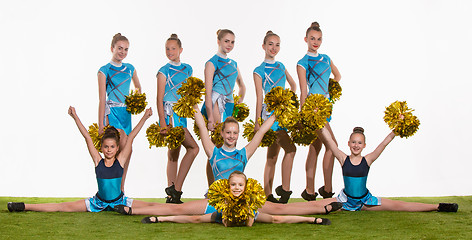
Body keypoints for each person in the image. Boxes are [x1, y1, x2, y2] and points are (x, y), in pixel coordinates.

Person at [7, 107, 160, 213]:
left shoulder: (120, 160)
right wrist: (75, 117)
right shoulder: (98, 160)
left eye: (112, 147)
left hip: (120, 202)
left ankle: (177, 212)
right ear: (101, 148)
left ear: (117, 148)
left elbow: (131, 136)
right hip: (97, 202)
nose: (109, 150)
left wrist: (145, 117)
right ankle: (23, 206)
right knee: (62, 207)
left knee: (151, 205)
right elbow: (87, 136)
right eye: (106, 147)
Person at [318, 125, 458, 212]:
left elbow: (383, 144)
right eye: (353, 142)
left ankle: (438, 206)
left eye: (359, 143)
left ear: (364, 145)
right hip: (345, 202)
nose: (356, 145)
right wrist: (318, 120)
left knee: (400, 206)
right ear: (348, 143)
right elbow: (330, 141)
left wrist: (397, 129)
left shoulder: (368, 159)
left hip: (366, 202)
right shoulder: (343, 159)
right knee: (316, 207)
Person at [140, 171, 331, 226]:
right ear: (228, 186)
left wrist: (249, 212)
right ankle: (159, 217)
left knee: (275, 218)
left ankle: (313, 219)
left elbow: (248, 225)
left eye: (240, 185)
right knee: (194, 217)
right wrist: (225, 213)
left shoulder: (249, 199)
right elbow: (227, 224)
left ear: (246, 187)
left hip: (247, 213)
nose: (237, 188)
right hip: (222, 212)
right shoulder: (223, 198)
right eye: (233, 185)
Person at [297, 22, 341, 201]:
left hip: (326, 106)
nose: (315, 42)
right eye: (312, 39)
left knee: (316, 146)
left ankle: (309, 190)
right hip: (313, 110)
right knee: (333, 145)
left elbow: (337, 76)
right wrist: (303, 115)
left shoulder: (326, 58)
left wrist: (331, 89)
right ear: (306, 39)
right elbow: (303, 92)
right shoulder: (302, 62)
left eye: (319, 39)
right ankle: (327, 190)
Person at [253, 31, 297, 204]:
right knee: (291, 149)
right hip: (269, 116)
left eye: (277, 44)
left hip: (282, 115)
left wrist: (287, 101)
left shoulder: (281, 66)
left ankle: (268, 194)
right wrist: (258, 122)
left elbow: (293, 85)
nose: (274, 48)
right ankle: (284, 191)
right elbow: (259, 97)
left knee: (272, 157)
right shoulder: (258, 70)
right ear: (263, 46)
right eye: (270, 44)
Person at [156, 34, 199, 204]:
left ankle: (172, 192)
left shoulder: (188, 69)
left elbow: (188, 94)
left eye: (173, 48)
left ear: (180, 50)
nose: (170, 51)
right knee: (185, 150)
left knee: (181, 152)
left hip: (182, 114)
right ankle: (174, 190)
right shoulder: (163, 71)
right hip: (170, 115)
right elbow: (159, 99)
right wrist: (163, 122)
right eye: (167, 48)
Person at [97, 33, 143, 191]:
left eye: (126, 49)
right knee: (118, 145)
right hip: (112, 113)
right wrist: (101, 124)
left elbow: (138, 88)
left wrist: (135, 101)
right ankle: (111, 188)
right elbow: (102, 99)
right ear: (112, 48)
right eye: (119, 48)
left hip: (126, 113)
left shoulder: (130, 68)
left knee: (127, 149)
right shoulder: (104, 70)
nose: (122, 52)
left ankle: (120, 188)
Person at [202, 29, 246, 186]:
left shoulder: (234, 63)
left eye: (232, 42)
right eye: (226, 41)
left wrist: (239, 101)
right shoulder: (212, 62)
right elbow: (208, 93)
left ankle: (227, 185)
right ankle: (212, 188)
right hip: (215, 104)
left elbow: (242, 86)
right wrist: (210, 117)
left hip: (229, 104)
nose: (229, 45)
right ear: (219, 41)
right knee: (215, 150)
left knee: (228, 145)